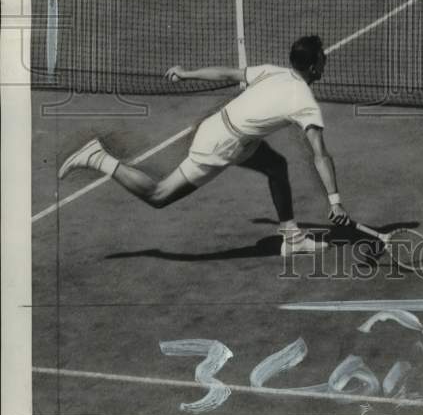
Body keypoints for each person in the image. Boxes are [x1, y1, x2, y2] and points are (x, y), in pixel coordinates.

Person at [58, 36, 350, 257]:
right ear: (313, 66)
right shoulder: (305, 102)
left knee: (276, 166)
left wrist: (186, 73)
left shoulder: (275, 72)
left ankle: (292, 236)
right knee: (159, 195)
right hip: (221, 144)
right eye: (323, 57)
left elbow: (228, 74)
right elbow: (320, 154)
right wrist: (334, 200)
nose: (326, 59)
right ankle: (98, 158)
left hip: (225, 129)